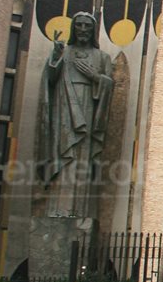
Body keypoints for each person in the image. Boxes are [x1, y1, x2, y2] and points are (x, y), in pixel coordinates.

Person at [36, 11, 114, 218]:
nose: (83, 30)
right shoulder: (64, 52)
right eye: (79, 25)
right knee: (64, 156)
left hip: (88, 109)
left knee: (83, 158)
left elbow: (109, 85)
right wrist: (55, 57)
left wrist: (95, 76)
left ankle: (79, 210)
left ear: (93, 30)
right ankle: (58, 210)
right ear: (73, 28)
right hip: (64, 110)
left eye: (87, 26)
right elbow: (50, 81)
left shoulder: (102, 57)